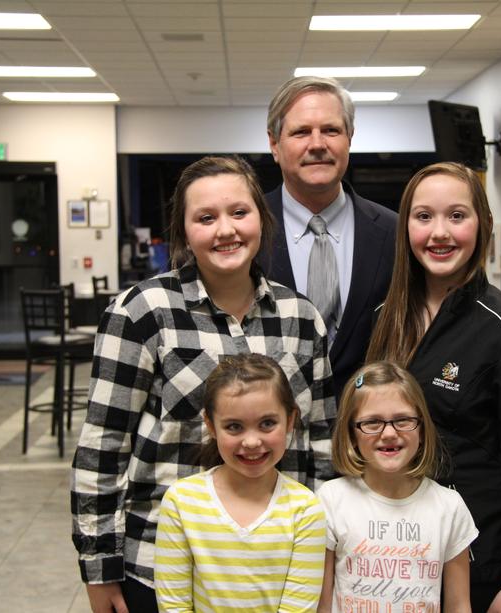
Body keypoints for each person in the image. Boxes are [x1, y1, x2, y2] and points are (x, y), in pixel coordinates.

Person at [71, 155, 336, 613]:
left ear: (260, 217)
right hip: (164, 569)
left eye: (239, 212)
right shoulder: (142, 311)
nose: (225, 230)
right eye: (205, 218)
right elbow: (104, 445)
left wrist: (327, 558)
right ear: (184, 231)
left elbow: (323, 446)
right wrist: (99, 568)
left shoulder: (300, 317)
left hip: (278, 571)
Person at [366, 162, 501, 613]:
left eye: (457, 215)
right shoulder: (384, 318)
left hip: (479, 561)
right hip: (392, 555)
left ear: (483, 225)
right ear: (405, 228)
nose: (440, 232)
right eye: (423, 217)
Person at [155, 353, 327, 611]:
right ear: (211, 426)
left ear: (290, 420)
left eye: (267, 423)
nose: (252, 442)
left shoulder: (305, 510)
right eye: (234, 427)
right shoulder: (181, 501)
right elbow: (173, 605)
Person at [261, 75, 398, 396]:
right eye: (301, 132)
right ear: (274, 144)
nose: (318, 144)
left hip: (369, 430)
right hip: (269, 436)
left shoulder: (395, 233)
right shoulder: (243, 233)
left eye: (331, 130)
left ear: (349, 137)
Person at [317, 361, 478, 613]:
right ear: (351, 434)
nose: (389, 433)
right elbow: (322, 605)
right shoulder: (331, 500)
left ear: (423, 429)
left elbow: (458, 605)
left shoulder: (449, 507)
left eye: (402, 420)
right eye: (372, 422)